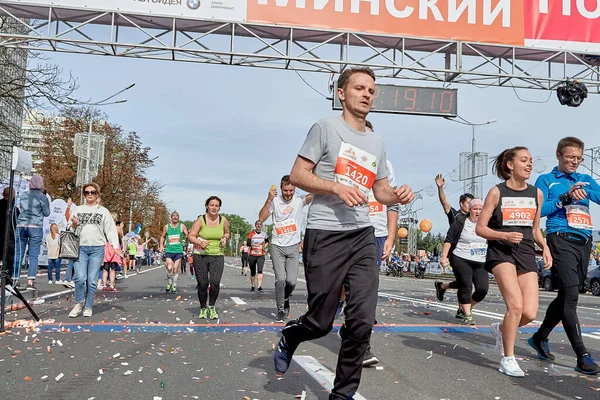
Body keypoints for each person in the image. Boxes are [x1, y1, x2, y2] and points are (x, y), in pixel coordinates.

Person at [272, 67, 415, 400]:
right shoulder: (325, 128)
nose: (367, 94)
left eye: (371, 90)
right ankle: (293, 334)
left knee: (362, 321)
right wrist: (335, 188)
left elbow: (380, 191)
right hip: (325, 233)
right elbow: (297, 175)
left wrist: (398, 195)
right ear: (341, 93)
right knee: (320, 322)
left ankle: (342, 394)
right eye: (359, 88)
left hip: (362, 234)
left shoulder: (377, 142)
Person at [475, 146, 552, 377]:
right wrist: (503, 235)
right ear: (510, 164)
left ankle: (500, 330)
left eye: (530, 161)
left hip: (526, 251)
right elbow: (480, 227)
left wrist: (545, 247)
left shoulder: (536, 194)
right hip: (501, 252)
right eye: (524, 160)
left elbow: (536, 229)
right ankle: (507, 359)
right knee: (515, 306)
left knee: (529, 313)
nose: (529, 164)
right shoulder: (497, 192)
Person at [528, 137, 600, 375]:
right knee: (570, 295)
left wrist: (587, 190)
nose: (574, 162)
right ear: (558, 154)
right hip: (559, 237)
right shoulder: (546, 180)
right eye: (570, 157)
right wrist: (564, 198)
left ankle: (540, 337)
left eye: (578, 158)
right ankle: (582, 355)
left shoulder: (586, 179)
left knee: (567, 295)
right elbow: (538, 212)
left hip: (584, 240)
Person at [337, 120, 399, 367]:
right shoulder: (344, 161)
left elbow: (392, 203)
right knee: (347, 288)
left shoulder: (386, 166)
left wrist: (391, 236)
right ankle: (348, 325)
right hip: (346, 230)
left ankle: (362, 345)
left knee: (365, 293)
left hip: (376, 234)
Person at [258, 175, 312, 322]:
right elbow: (261, 218)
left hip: (293, 246)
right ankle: (281, 308)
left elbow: (314, 193)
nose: (288, 193)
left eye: (291, 190)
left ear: (294, 189)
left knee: (292, 282)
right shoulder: (275, 201)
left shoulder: (299, 200)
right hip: (277, 246)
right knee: (280, 279)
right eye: (285, 190)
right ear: (281, 189)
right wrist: (269, 199)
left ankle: (286, 296)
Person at [68, 183, 122, 318]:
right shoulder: (78, 209)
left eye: (93, 192)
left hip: (97, 248)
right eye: (87, 192)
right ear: (84, 194)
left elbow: (110, 230)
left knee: (92, 280)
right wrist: (74, 224)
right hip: (80, 247)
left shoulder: (103, 211)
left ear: (97, 194)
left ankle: (88, 305)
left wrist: (115, 247)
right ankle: (79, 303)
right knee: (79, 277)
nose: (90, 195)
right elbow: (70, 229)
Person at [437, 199, 489, 325]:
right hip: (461, 258)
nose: (478, 212)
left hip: (480, 260)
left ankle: (466, 306)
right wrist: (444, 257)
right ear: (470, 210)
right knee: (465, 285)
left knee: (482, 289)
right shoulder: (460, 223)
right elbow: (449, 240)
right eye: (475, 209)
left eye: (480, 209)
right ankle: (467, 315)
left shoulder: (487, 223)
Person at [188, 196, 229, 320]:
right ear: (207, 206)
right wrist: (200, 242)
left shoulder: (223, 220)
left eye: (216, 205)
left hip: (217, 255)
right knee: (203, 284)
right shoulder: (201, 220)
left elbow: (227, 232)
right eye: (212, 205)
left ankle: (212, 307)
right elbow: (191, 236)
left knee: (215, 283)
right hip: (200, 255)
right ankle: (203, 308)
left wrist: (224, 238)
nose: (214, 208)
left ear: (219, 207)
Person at [13, 175, 50, 289]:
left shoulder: (24, 195)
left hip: (21, 225)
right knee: (33, 255)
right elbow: (47, 213)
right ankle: (30, 281)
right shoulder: (42, 197)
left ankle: (15, 279)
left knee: (18, 253)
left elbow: (18, 209)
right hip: (35, 227)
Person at [159, 211, 188, 293]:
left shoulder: (182, 226)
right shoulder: (166, 227)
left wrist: (189, 236)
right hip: (169, 250)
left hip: (178, 251)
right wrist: (161, 245)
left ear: (178, 218)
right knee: (169, 268)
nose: (175, 217)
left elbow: (188, 235)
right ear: (171, 218)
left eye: (176, 216)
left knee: (175, 268)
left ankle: (174, 285)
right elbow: (162, 236)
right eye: (173, 216)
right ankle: (169, 283)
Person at [102, 212, 123, 292]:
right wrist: (120, 229)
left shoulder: (105, 226)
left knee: (105, 268)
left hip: (106, 246)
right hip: (114, 247)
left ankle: (104, 285)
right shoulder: (117, 228)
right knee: (112, 269)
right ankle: (111, 285)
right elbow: (121, 236)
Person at [0, 187, 17, 282]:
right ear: (13, 196)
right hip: (9, 237)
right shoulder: (13, 208)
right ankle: (7, 281)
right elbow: (16, 223)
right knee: (9, 260)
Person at [247, 220, 269, 292]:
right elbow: (248, 243)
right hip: (252, 254)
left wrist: (264, 246)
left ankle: (259, 286)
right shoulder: (251, 234)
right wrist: (253, 245)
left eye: (260, 224)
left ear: (262, 226)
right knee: (253, 271)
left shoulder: (264, 234)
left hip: (261, 254)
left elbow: (267, 242)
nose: (259, 226)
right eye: (257, 224)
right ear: (255, 225)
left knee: (260, 270)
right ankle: (253, 286)